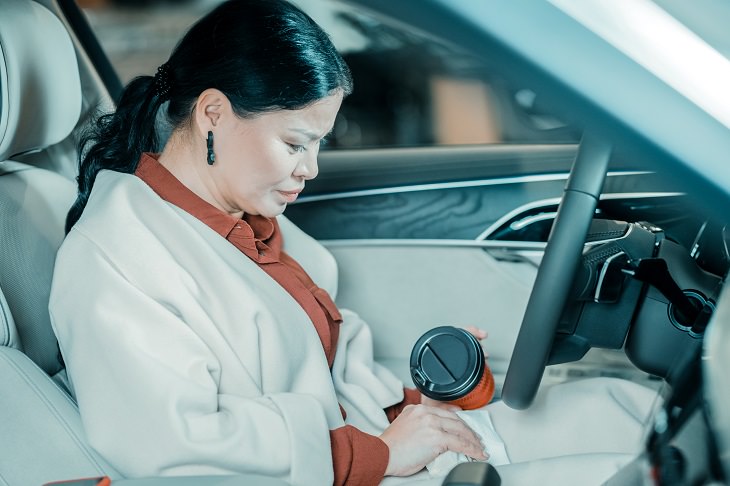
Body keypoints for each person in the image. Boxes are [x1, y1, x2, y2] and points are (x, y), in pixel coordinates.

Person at [50, 0, 660, 485]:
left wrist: (418, 409)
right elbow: (171, 451)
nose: (310, 169)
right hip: (336, 473)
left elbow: (325, 365)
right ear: (213, 113)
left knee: (629, 411)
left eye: (319, 145)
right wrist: (374, 456)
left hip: (374, 447)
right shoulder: (114, 259)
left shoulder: (238, 218)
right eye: (295, 144)